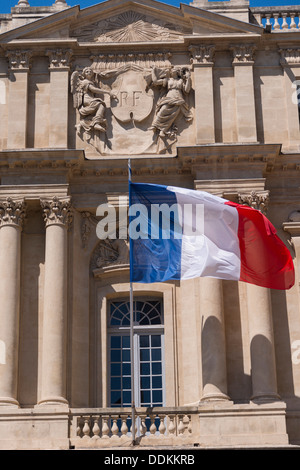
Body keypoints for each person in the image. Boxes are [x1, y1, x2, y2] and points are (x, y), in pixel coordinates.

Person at [149, 66, 192, 137]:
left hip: (178, 100)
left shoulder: (181, 81)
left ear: (177, 72)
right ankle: (155, 125)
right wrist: (153, 71)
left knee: (172, 116)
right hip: (168, 98)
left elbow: (187, 90)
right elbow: (155, 82)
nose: (171, 71)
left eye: (173, 70)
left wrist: (188, 79)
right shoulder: (168, 80)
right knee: (162, 110)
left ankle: (163, 131)